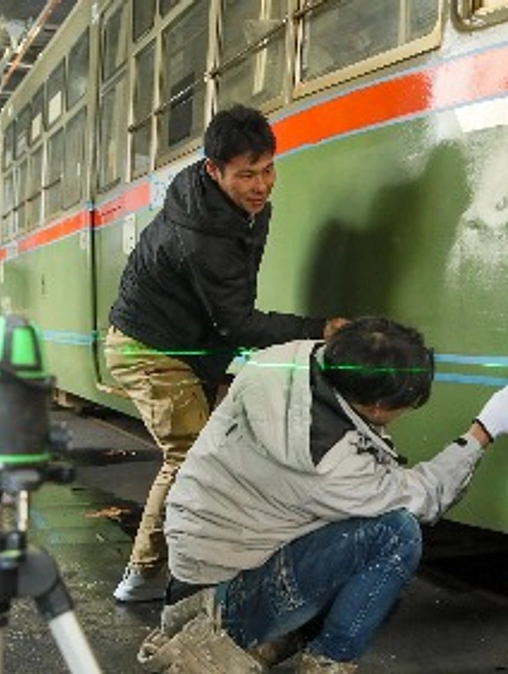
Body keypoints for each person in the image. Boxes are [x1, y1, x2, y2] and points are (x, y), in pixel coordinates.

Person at [137, 316, 508, 673]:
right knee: (395, 536)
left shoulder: (285, 359)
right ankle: (317, 662)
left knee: (362, 537)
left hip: (200, 571)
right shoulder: (328, 460)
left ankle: (263, 640)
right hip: (221, 601)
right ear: (375, 407)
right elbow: (423, 497)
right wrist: (484, 430)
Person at [105, 104, 348, 603]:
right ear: (213, 170)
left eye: (267, 170)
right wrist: (320, 329)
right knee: (190, 457)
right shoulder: (200, 236)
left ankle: (220, 562)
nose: (261, 185)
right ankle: (143, 574)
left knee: (229, 451)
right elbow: (235, 319)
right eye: (246, 175)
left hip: (193, 346)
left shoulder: (242, 208)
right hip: (146, 348)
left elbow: (232, 303)